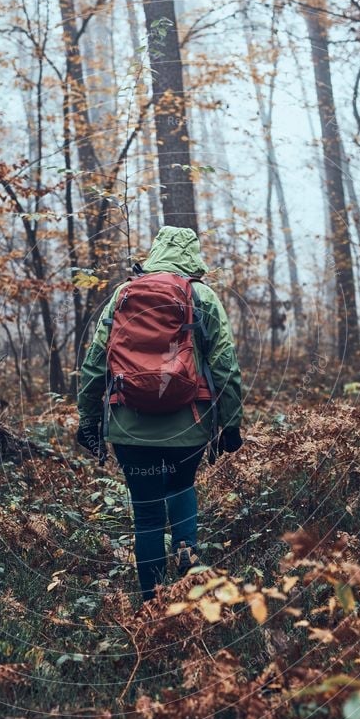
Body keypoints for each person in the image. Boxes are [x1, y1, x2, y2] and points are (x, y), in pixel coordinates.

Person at [76, 226, 243, 601]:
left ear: (155, 252)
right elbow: (225, 364)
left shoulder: (122, 295)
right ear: (193, 258)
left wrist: (87, 420)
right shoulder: (202, 296)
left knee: (147, 514)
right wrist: (231, 424)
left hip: (129, 426)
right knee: (181, 485)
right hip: (189, 425)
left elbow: (94, 363)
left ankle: (152, 604)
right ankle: (187, 564)